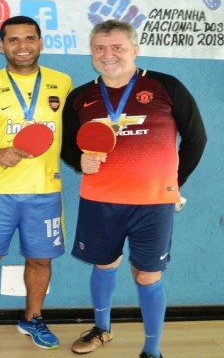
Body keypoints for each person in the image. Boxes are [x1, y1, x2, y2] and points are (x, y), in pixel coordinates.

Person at [61, 20, 206, 358]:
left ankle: (152, 350)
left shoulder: (165, 86)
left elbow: (196, 139)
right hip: (99, 201)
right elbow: (68, 146)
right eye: (99, 48)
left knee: (147, 274)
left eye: (117, 47)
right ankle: (102, 330)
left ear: (135, 50)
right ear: (92, 52)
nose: (107, 54)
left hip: (152, 204)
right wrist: (77, 161)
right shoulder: (81, 96)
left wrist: (173, 182)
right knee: (104, 265)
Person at [0, 16, 72, 352]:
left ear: (41, 42)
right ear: (1, 45)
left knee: (40, 260)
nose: (22, 46)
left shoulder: (63, 83)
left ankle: (32, 317)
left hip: (45, 191)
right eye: (13, 40)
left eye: (29, 38)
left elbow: (73, 133)